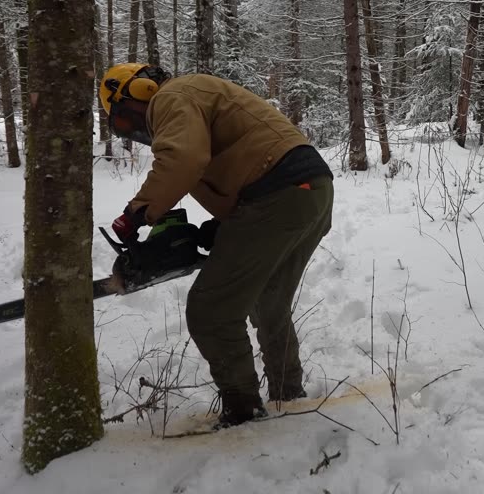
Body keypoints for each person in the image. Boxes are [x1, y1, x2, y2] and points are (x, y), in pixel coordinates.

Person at [98, 64, 334, 427]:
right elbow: (240, 160)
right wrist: (216, 230)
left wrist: (136, 215)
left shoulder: (170, 97)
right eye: (124, 127)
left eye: (128, 119)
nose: (136, 129)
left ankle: (242, 410)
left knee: (211, 309)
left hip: (276, 193)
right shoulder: (194, 95)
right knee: (268, 301)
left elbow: (185, 159)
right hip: (310, 191)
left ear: (142, 90)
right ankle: (289, 397)